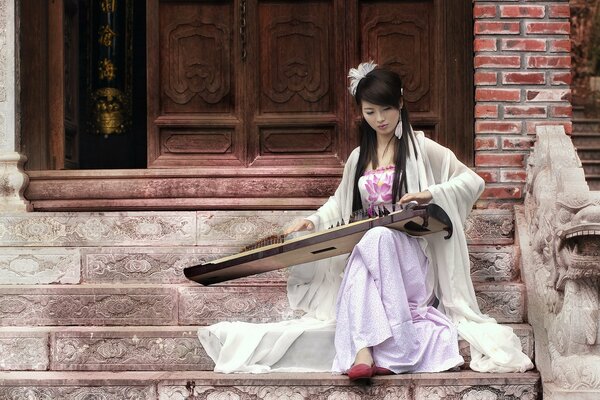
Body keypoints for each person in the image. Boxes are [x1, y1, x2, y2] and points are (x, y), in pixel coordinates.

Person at [198, 62, 533, 377]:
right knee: (368, 242)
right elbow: (339, 203)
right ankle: (366, 353)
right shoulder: (359, 157)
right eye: (370, 112)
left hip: (411, 259)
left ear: (400, 103)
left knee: (378, 238)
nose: (379, 119)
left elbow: (472, 182)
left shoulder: (422, 148)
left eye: (385, 109)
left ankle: (373, 349)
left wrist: (429, 194)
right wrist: (312, 222)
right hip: (371, 254)